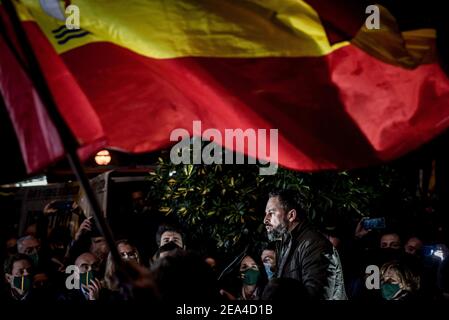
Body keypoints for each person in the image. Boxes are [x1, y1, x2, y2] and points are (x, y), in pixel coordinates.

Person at [263, 189, 347, 300]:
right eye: (266, 214)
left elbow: (318, 297)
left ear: (291, 215)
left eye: (271, 213)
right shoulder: (284, 242)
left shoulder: (315, 245)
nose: (265, 220)